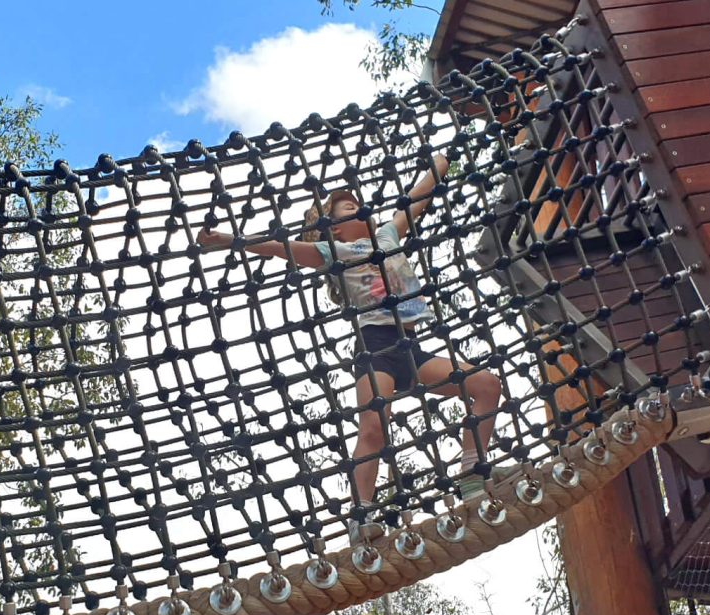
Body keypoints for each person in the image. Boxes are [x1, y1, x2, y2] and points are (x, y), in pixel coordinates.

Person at [196, 154, 510, 506]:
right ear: (334, 228)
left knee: (486, 385)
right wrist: (223, 239)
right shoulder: (335, 251)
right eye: (347, 209)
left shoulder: (388, 236)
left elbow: (417, 200)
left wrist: (440, 163)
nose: (357, 208)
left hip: (412, 348)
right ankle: (362, 513)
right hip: (377, 350)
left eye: (357, 204)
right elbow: (279, 247)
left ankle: (472, 472)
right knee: (374, 429)